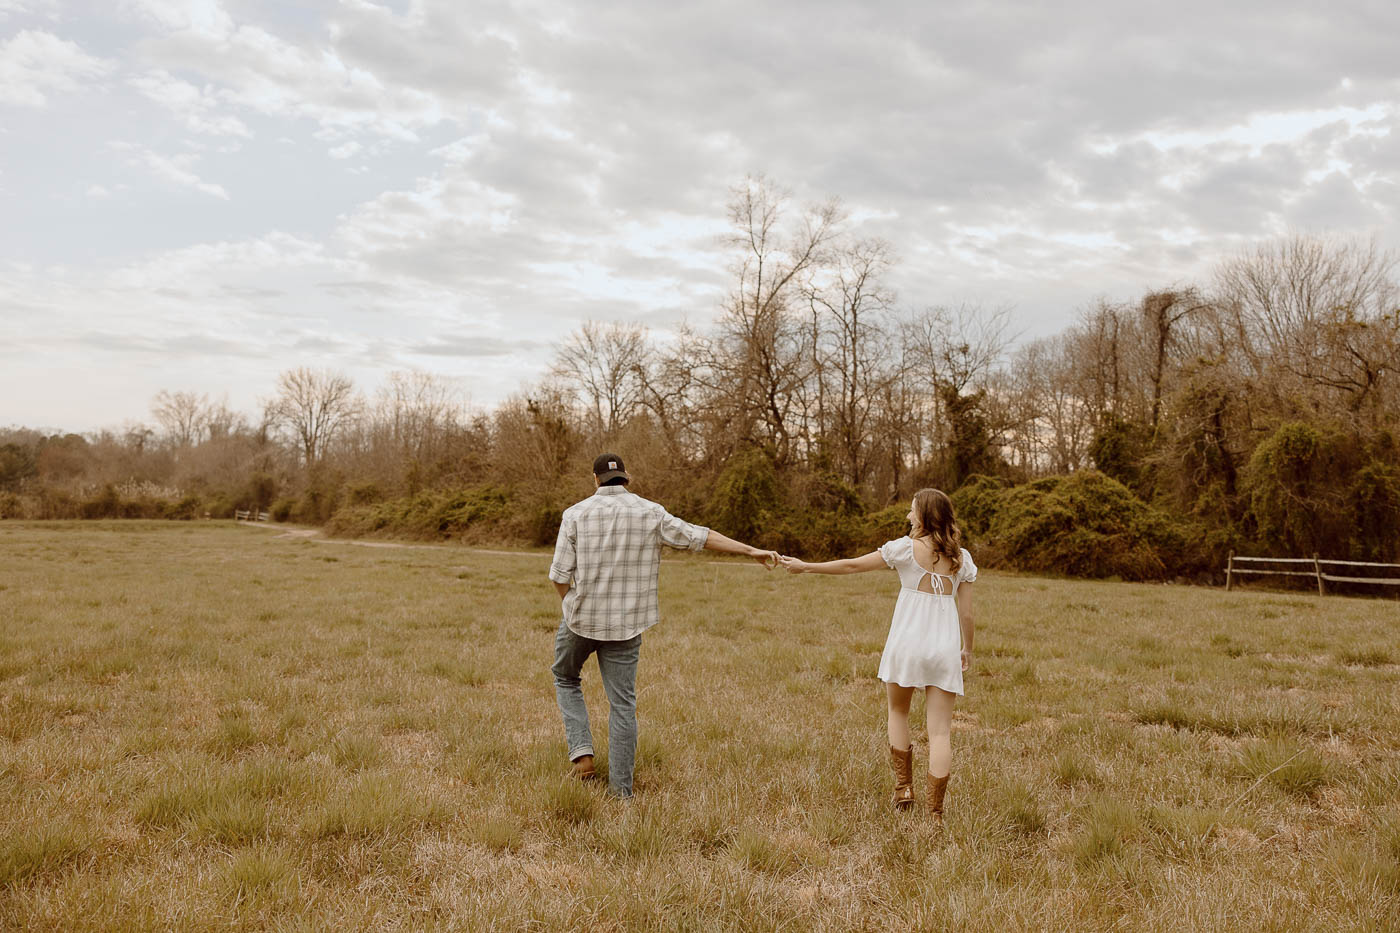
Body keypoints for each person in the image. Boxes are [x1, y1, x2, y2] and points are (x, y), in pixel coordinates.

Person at [548, 453, 779, 799]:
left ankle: (582, 754)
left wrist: (570, 606)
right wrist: (750, 551)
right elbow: (699, 537)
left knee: (565, 677)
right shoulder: (651, 513)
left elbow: (559, 576)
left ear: (594, 480)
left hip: (580, 619)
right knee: (622, 705)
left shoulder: (575, 514)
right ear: (627, 478)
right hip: (627, 626)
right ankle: (621, 794)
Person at [780, 488, 976, 821]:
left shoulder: (903, 549)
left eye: (912, 510)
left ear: (925, 515)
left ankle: (904, 789)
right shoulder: (962, 559)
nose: (908, 516)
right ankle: (936, 814)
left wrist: (806, 566)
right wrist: (967, 648)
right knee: (940, 732)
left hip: (906, 645)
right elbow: (968, 614)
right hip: (943, 650)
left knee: (898, 714)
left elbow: (852, 565)